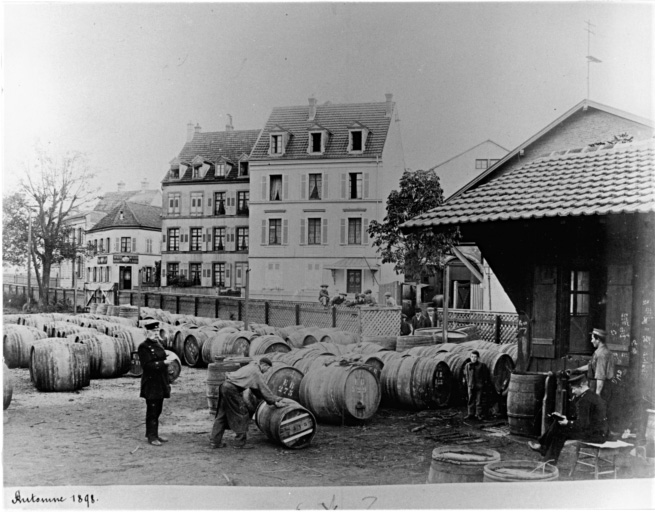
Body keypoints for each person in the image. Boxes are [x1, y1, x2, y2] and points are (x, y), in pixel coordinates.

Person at [528, 374, 608, 465]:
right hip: (599, 432)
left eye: (574, 388)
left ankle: (547, 458)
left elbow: (583, 424)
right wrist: (567, 419)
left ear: (581, 386)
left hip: (596, 435)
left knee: (560, 432)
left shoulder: (584, 401)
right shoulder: (591, 396)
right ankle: (546, 453)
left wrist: (568, 422)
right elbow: (585, 420)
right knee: (559, 424)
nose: (573, 391)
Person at [210, 357, 285, 449]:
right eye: (268, 369)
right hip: (231, 390)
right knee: (242, 414)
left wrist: (262, 399)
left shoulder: (251, 366)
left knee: (222, 415)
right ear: (264, 365)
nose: (267, 371)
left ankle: (215, 442)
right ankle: (239, 443)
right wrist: (275, 400)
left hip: (224, 386)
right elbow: (263, 389)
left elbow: (255, 389)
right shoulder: (256, 372)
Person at [138, 320, 171, 447]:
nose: (156, 333)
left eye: (157, 331)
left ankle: (154, 434)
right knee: (152, 410)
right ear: (147, 332)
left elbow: (161, 356)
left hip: (160, 382)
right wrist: (164, 363)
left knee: (158, 410)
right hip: (151, 383)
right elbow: (146, 366)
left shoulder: (158, 344)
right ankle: (151, 437)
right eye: (153, 331)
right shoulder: (144, 347)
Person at [573, 328, 615, 401]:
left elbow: (600, 377)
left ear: (598, 339)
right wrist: (576, 370)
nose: (591, 341)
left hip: (600, 388)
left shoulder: (601, 354)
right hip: (601, 387)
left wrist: (597, 396)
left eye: (592, 338)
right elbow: (591, 366)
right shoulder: (603, 351)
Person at [464, 350, 490, 421]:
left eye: (475, 357)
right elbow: (467, 376)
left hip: (479, 386)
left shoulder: (482, 365)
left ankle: (479, 414)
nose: (473, 358)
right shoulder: (467, 365)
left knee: (479, 401)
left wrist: (483, 385)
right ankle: (470, 414)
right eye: (472, 357)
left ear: (478, 358)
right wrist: (468, 384)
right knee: (470, 400)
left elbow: (485, 377)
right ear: (470, 357)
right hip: (470, 385)